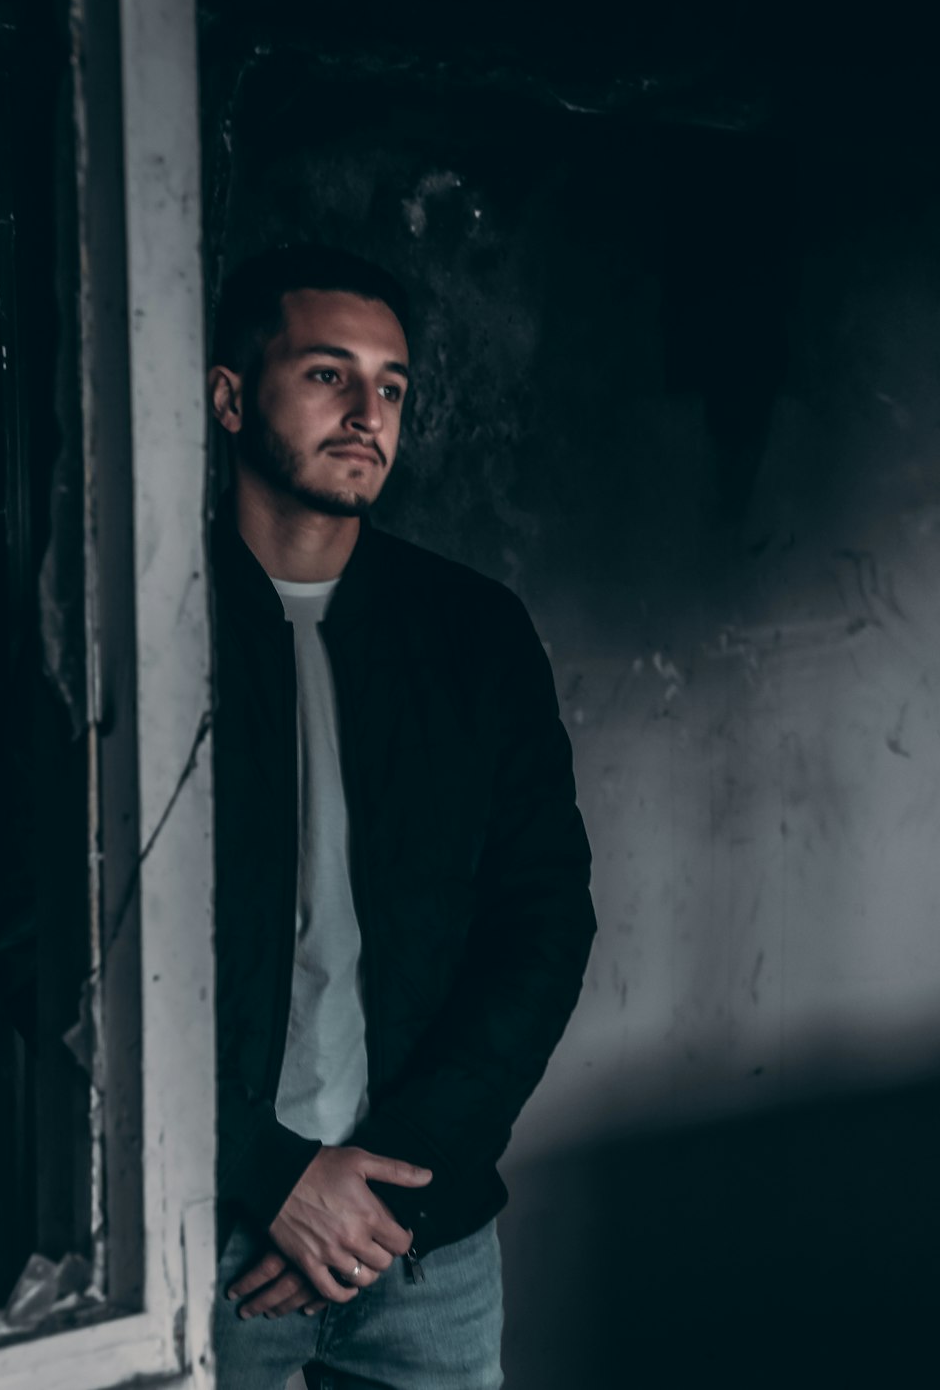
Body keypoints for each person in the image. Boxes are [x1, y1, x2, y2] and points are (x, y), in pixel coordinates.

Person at [209, 244, 595, 1389]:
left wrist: (386, 1188)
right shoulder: (137, 623)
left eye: (390, 385)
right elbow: (43, 945)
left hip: (425, 1248)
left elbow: (542, 926)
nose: (367, 412)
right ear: (231, 396)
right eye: (328, 374)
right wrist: (267, 1171)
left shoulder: (474, 634)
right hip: (207, 1241)